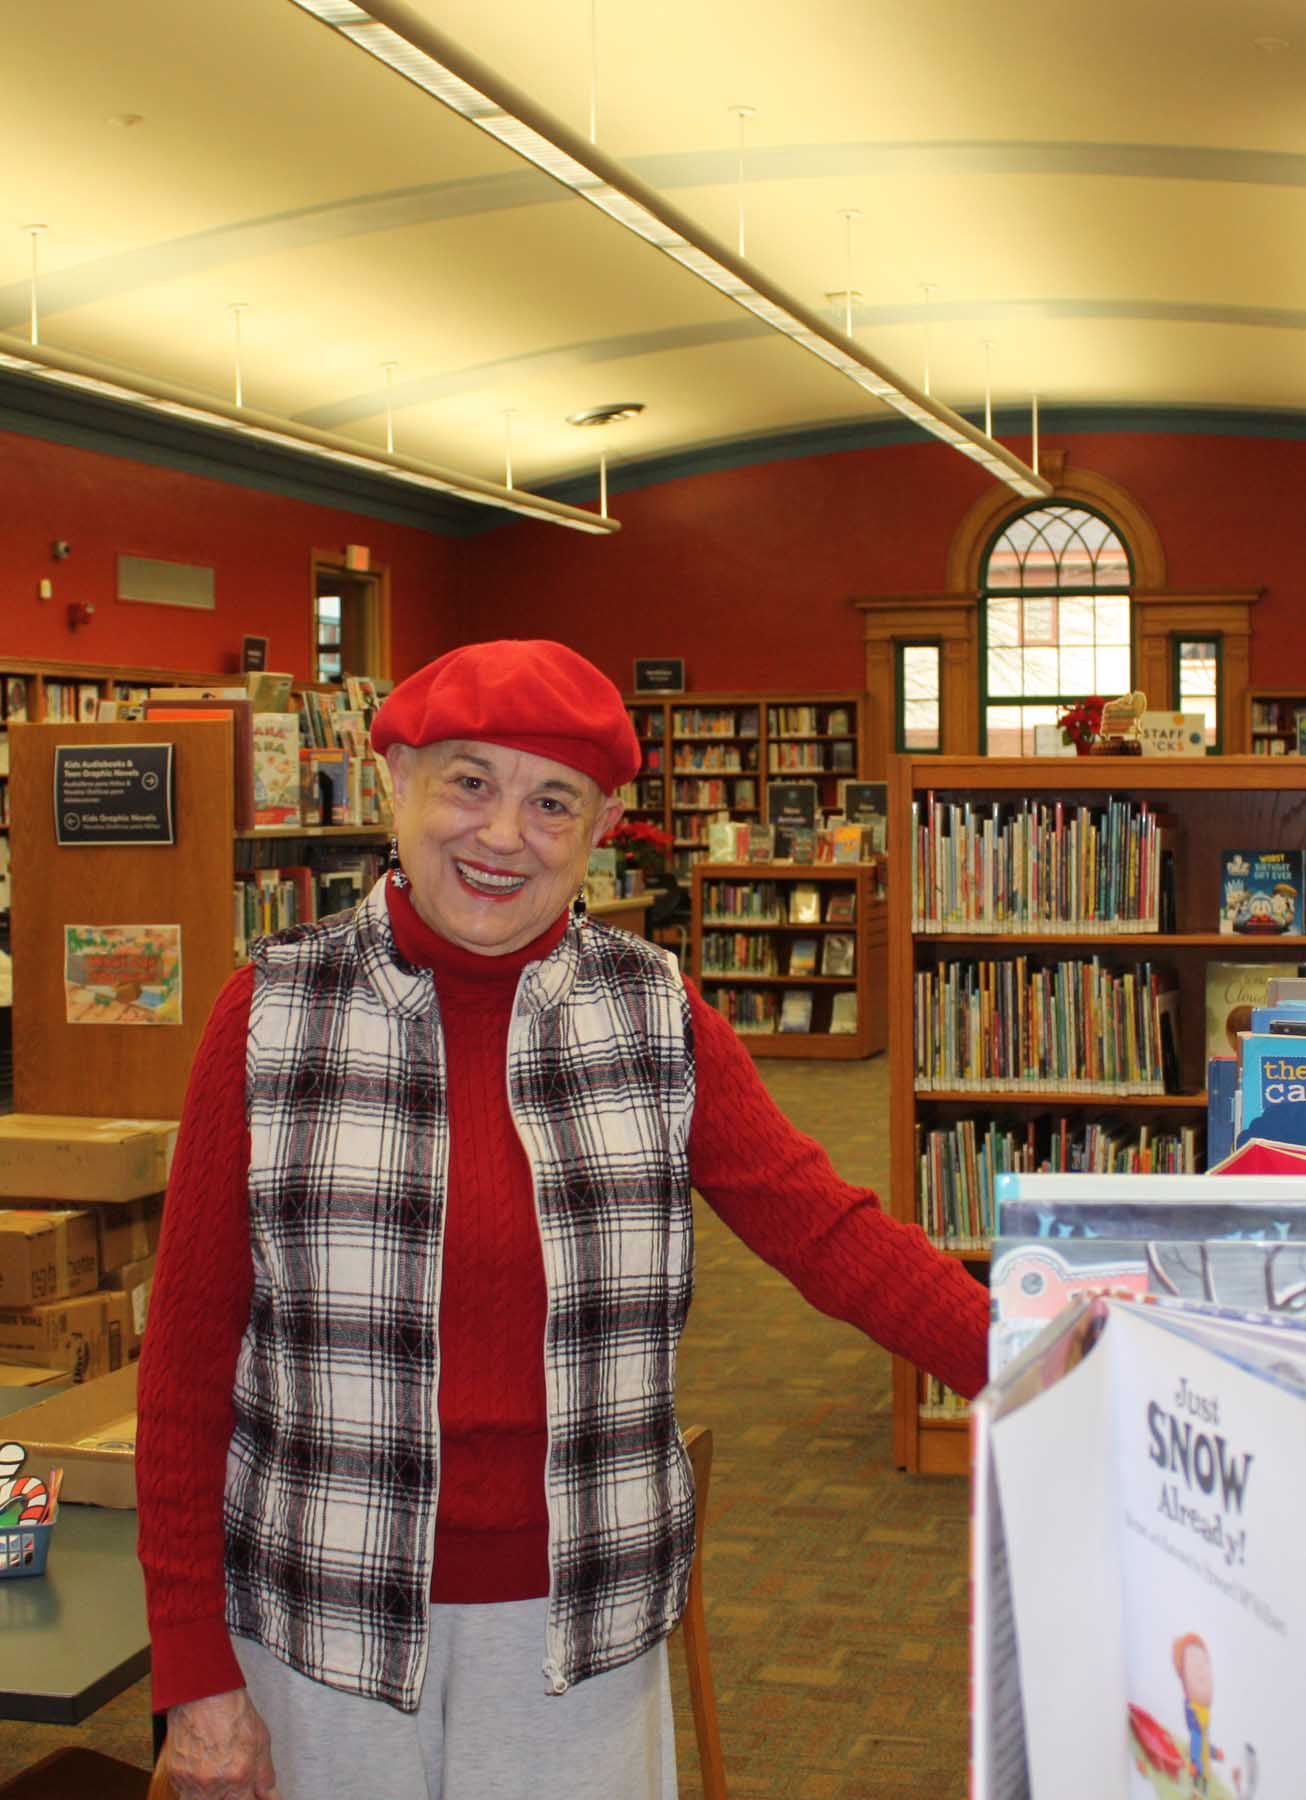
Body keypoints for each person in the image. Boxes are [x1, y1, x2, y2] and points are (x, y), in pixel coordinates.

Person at [137, 638, 990, 1800]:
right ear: (396, 783)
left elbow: (825, 1232)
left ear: (600, 828)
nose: (502, 836)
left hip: (575, 1625)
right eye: (469, 783)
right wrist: (194, 1669)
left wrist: (1058, 1362)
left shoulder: (651, 1013)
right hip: (316, 1614)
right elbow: (186, 1365)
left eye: (552, 802)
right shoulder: (274, 1011)